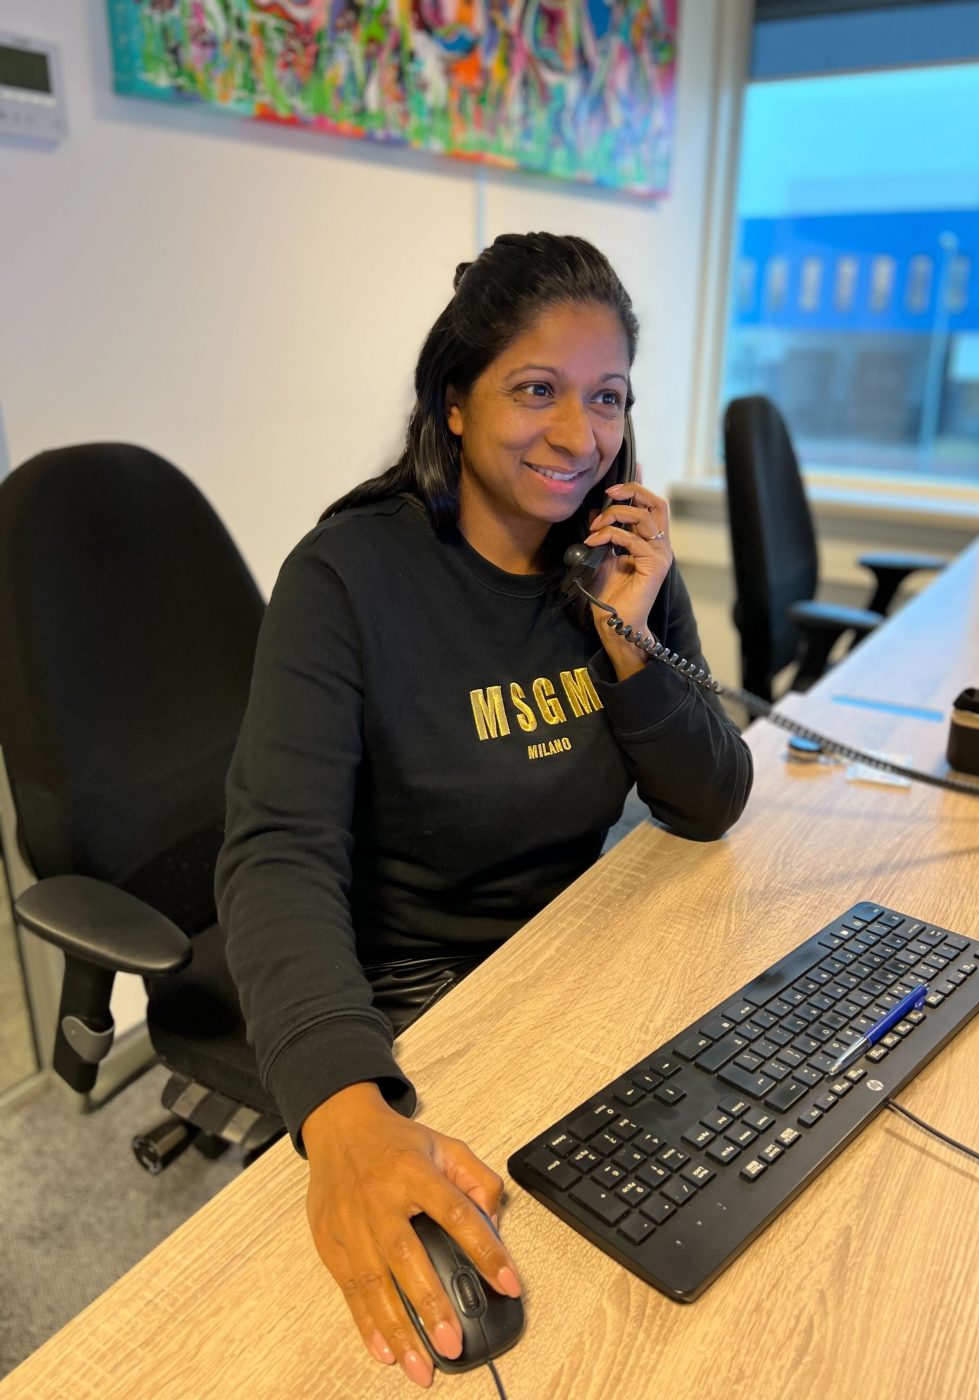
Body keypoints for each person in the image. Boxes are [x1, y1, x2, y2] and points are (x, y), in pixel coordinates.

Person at [215, 231, 753, 1389]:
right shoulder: (347, 578)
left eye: (607, 397)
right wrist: (344, 1109)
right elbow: (276, 854)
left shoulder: (618, 561)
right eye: (536, 389)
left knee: (726, 1213)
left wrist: (627, 635)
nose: (579, 435)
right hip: (417, 998)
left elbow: (711, 799)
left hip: (574, 952)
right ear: (454, 401)